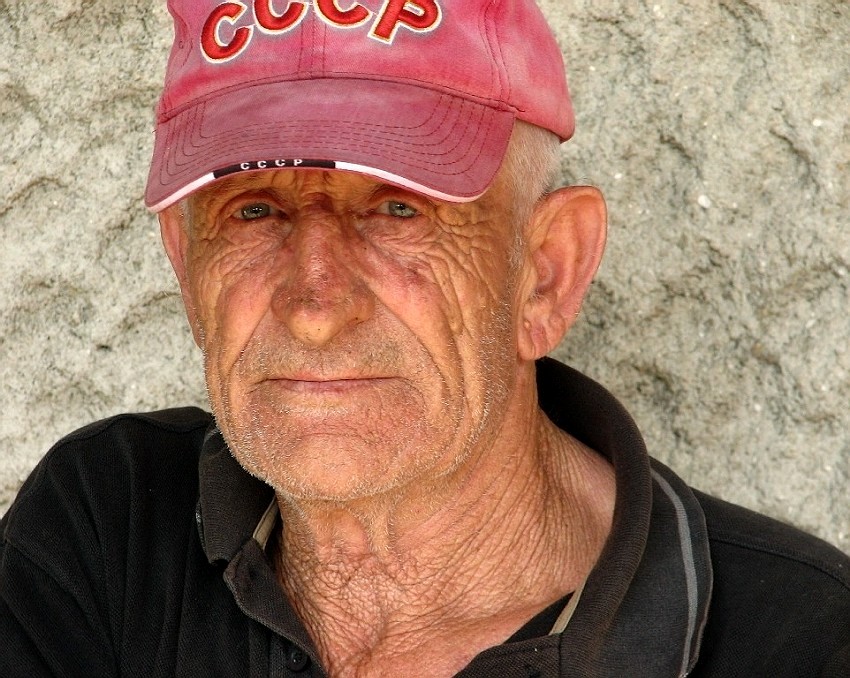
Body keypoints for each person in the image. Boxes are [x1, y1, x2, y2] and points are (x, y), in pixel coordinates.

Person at [1, 0, 848, 675]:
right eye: (254, 211)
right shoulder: (103, 531)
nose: (314, 306)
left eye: (398, 210)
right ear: (187, 268)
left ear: (546, 272)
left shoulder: (803, 644)